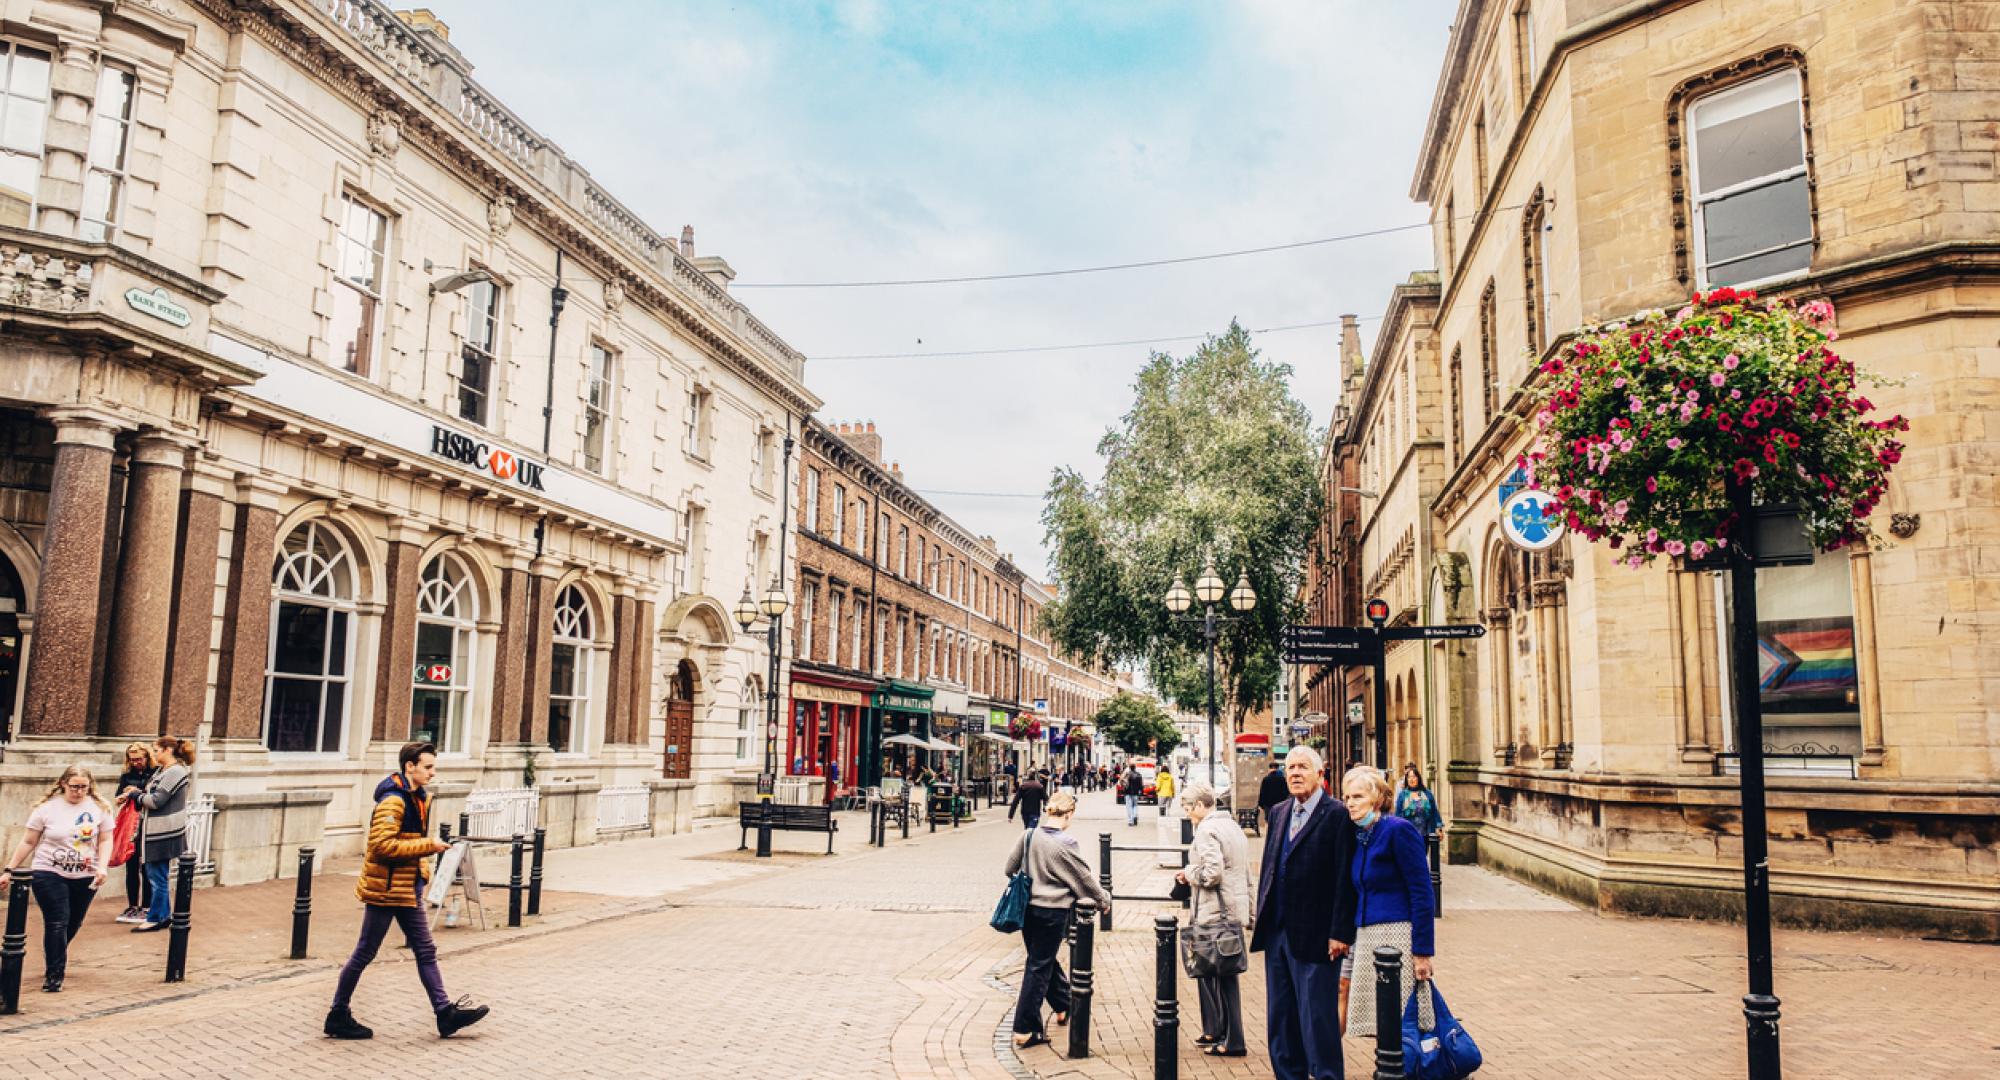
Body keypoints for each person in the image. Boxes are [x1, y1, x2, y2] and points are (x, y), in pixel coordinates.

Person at [324, 742, 489, 1040]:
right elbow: (381, 846)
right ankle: (338, 1014)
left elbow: (404, 842)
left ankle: (445, 1013)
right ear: (409, 767)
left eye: (433, 767)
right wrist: (429, 846)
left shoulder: (416, 798)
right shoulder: (394, 801)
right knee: (365, 952)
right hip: (387, 889)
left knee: (425, 949)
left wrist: (421, 871)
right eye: (427, 767)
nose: (432, 773)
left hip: (404, 887)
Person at [1249, 745, 1357, 1080]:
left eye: (1302, 768)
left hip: (1317, 935)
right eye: (1290, 767)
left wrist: (1341, 931)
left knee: (1317, 1021)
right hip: (1278, 933)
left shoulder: (1337, 814)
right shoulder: (1280, 811)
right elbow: (1270, 866)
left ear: (1320, 774)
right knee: (1281, 1019)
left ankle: (1326, 1075)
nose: (1294, 773)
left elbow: (1344, 877)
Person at [1002, 791, 1111, 1049]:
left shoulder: (1028, 835)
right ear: (1069, 814)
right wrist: (1103, 900)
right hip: (1053, 913)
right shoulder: (1067, 843)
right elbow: (1083, 879)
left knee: (1043, 960)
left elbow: (1009, 869)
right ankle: (1025, 1028)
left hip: (1027, 910)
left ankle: (1063, 1004)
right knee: (1038, 967)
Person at [1342, 765, 1436, 1044]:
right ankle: (1391, 1067)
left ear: (1378, 799)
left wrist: (1422, 951)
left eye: (1357, 796)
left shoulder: (1398, 830)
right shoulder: (1359, 836)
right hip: (1367, 933)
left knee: (1405, 1015)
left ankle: (1417, 1067)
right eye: (1347, 797)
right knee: (1381, 1017)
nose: (1350, 803)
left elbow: (1422, 891)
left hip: (1398, 935)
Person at [4, 765, 116, 992]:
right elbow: (28, 841)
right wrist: (9, 869)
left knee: (73, 922)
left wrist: (102, 867)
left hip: (85, 874)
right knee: (58, 920)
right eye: (74, 787)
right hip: (48, 871)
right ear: (63, 784)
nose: (79, 792)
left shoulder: (100, 808)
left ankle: (55, 951)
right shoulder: (47, 809)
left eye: (84, 787)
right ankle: (54, 975)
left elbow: (105, 840)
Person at [1176, 782, 1252, 1057]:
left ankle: (1232, 1040)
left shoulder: (1207, 830)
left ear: (1200, 805)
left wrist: (1188, 873)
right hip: (1232, 911)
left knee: (1220, 974)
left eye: (1187, 807)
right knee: (1220, 974)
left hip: (1214, 913)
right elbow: (1244, 874)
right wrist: (1250, 912)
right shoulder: (1232, 827)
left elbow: (1212, 873)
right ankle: (1217, 1031)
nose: (1186, 813)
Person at [132, 736, 195, 933]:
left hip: (163, 832)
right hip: (157, 829)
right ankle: (163, 915)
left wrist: (136, 795)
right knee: (157, 874)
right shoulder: (164, 770)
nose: (153, 753)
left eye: (156, 750)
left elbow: (157, 800)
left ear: (168, 750)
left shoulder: (175, 771)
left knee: (156, 876)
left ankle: (155, 918)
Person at [114, 741, 156, 924]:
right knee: (131, 865)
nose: (136, 762)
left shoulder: (155, 773)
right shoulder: (127, 775)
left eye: (139, 759)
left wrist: (136, 792)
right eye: (132, 760)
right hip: (131, 824)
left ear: (147, 757)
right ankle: (132, 905)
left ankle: (147, 906)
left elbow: (154, 796)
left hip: (148, 822)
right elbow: (117, 797)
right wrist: (123, 796)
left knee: (146, 866)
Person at [1394, 763, 1444, 840]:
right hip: (1408, 834)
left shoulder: (1427, 793)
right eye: (1409, 777)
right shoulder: (1402, 795)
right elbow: (1398, 814)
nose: (1411, 779)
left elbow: (1434, 811)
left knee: (1423, 851)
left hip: (1425, 833)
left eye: (1413, 777)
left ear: (1418, 778)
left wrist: (1439, 828)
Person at [1119, 763, 1142, 827]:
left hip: (1127, 792)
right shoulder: (1138, 774)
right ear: (1135, 767)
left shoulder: (1126, 774)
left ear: (1129, 767)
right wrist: (1141, 792)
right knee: (1135, 805)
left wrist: (1123, 787)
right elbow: (1141, 785)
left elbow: (1121, 781)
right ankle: (1135, 816)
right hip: (1135, 793)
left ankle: (1130, 821)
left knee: (1129, 807)